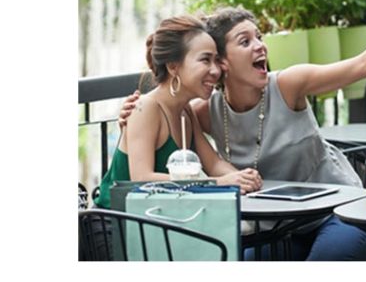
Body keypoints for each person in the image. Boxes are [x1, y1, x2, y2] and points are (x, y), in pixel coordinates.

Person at [118, 0, 366, 260]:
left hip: (340, 211)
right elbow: (168, 112)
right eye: (245, 42)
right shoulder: (203, 111)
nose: (260, 46)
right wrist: (128, 118)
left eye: (259, 37)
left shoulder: (288, 85)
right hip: (276, 223)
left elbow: (361, 65)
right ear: (222, 62)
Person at [94, 15, 262, 209]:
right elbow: (141, 178)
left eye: (216, 60)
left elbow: (213, 164)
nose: (216, 71)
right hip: (116, 227)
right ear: (173, 66)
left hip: (160, 224)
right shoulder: (145, 108)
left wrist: (242, 178)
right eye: (205, 60)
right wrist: (217, 184)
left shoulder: (186, 111)